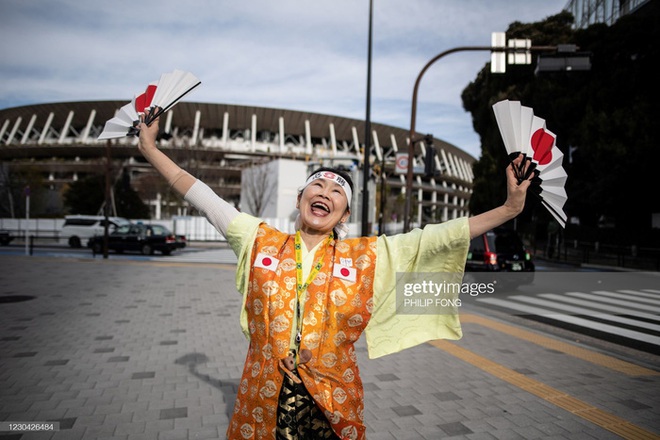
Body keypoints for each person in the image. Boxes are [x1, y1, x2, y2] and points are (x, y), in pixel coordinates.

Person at [137, 111, 532, 440]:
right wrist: (150, 149)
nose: (325, 191)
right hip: (263, 397)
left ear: (344, 215)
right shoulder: (258, 240)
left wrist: (509, 209)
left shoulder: (364, 256)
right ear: (300, 199)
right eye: (317, 185)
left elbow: (433, 239)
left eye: (337, 191)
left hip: (332, 399)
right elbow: (203, 196)